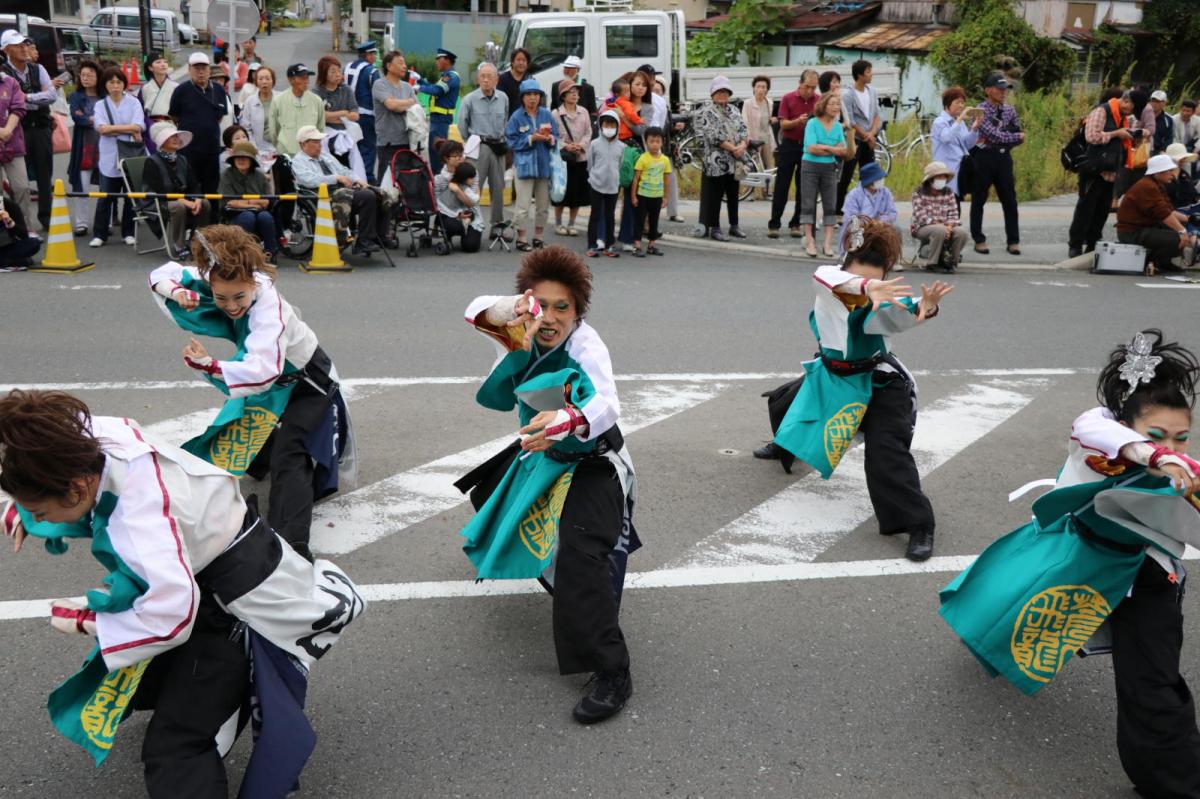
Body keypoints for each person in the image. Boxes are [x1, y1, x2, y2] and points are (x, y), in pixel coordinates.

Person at [0, 389, 364, 798]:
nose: (36, 518)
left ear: (77, 487)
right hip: (222, 565)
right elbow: (57, 449)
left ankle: (208, 718)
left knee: (175, 747)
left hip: (238, 609)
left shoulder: (140, 518)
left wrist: (90, 621)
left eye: (40, 510)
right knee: (149, 668)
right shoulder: (97, 441)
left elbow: (172, 616)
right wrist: (24, 503)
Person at [939, 329, 1200, 799]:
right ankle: (981, 633)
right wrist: (1155, 453)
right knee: (1004, 606)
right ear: (1125, 423)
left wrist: (1177, 465)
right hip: (1077, 555)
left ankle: (1176, 782)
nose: (1174, 447)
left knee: (1154, 682)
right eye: (1158, 434)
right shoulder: (1097, 434)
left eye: (1183, 437)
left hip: (1143, 572)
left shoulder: (1184, 469)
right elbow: (1102, 432)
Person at [456, 246, 640, 724]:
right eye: (543, 304)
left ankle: (613, 670)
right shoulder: (518, 329)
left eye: (564, 307)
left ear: (578, 311)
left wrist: (568, 419)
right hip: (539, 454)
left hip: (593, 459)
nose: (553, 316)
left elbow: (607, 405)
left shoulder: (586, 345)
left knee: (581, 551)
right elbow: (473, 309)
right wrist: (511, 310)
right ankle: (569, 587)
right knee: (489, 507)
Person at [147, 224, 357, 560]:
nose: (230, 306)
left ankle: (291, 549)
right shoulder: (219, 273)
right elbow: (165, 272)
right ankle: (262, 457)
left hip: (306, 382)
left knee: (292, 455)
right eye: (220, 298)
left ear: (252, 283)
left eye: (239, 297)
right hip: (271, 382)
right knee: (232, 439)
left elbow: (262, 372)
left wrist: (210, 366)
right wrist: (178, 292)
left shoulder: (268, 310)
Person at [760, 218, 951, 562]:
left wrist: (926, 307)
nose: (872, 287)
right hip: (833, 373)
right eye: (864, 279)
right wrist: (865, 287)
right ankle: (784, 443)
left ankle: (919, 523)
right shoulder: (831, 280)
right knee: (788, 402)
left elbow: (902, 312)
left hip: (878, 380)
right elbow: (828, 277)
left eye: (877, 281)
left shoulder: (878, 299)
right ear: (848, 266)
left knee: (886, 453)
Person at [291, 125, 395, 255]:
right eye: (315, 142)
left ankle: (380, 235)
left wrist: (358, 180)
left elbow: (344, 171)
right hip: (322, 194)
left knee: (380, 193)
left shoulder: (326, 157)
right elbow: (309, 180)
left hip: (343, 190)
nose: (320, 145)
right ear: (303, 144)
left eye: (319, 141)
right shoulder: (298, 161)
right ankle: (364, 240)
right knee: (367, 196)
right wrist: (336, 178)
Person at [1068, 89, 1135, 258]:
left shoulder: (1124, 118)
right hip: (1093, 169)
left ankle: (1092, 245)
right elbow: (1091, 137)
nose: (1131, 112)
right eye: (1131, 107)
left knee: (1102, 211)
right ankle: (1075, 245)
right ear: (1125, 101)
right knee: (1085, 208)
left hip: (1112, 170)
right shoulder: (1101, 111)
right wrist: (1116, 134)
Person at [1, 30, 53, 233]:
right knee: (18, 184)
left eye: (25, 44)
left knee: (43, 174)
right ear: (6, 50)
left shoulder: (37, 69)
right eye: (18, 45)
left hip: (40, 127)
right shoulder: (3, 74)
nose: (24, 48)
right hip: (15, 131)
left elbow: (51, 96)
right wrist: (32, 100)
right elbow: (10, 106)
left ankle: (45, 218)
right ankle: (15, 224)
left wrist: (28, 98)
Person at [969, 72, 1024, 256]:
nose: (1003, 92)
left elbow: (1018, 135)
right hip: (984, 157)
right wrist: (1013, 136)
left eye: (1005, 89)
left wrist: (1012, 137)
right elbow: (993, 135)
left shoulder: (1009, 110)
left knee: (1010, 200)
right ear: (988, 90)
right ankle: (979, 239)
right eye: (999, 89)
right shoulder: (979, 110)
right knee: (979, 199)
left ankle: (1013, 241)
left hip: (1003, 158)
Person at [89, 66, 144, 250]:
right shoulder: (100, 105)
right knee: (105, 197)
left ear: (124, 84)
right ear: (105, 85)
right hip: (108, 156)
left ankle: (128, 232)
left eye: (118, 82)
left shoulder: (134, 102)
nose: (115, 86)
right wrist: (127, 128)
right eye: (111, 82)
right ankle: (99, 234)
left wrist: (115, 129)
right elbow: (101, 128)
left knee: (130, 197)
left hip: (129, 155)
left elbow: (138, 126)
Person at [1116, 153, 1196, 273]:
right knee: (1180, 238)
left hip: (1143, 228)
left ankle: (1163, 262)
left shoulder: (1156, 184)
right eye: (1168, 170)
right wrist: (1182, 232)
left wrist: (1189, 218)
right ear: (1157, 172)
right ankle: (1150, 261)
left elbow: (1168, 210)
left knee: (1183, 230)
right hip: (1132, 232)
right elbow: (1163, 214)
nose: (1172, 173)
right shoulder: (1148, 186)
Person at [140, 122, 209, 260]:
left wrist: (197, 199)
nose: (177, 139)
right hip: (158, 201)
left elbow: (193, 184)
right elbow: (159, 191)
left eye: (177, 136)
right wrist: (185, 201)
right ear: (162, 141)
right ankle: (179, 245)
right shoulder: (151, 162)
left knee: (205, 203)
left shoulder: (182, 159)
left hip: (182, 199)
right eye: (172, 137)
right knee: (178, 206)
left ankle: (198, 242)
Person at [694, 76, 750, 242]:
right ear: (713, 93)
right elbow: (713, 136)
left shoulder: (734, 109)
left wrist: (742, 145)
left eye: (725, 91)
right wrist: (734, 149)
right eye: (719, 91)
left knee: (733, 194)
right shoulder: (706, 111)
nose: (723, 95)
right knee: (715, 196)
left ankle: (734, 225)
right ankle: (715, 228)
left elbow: (743, 130)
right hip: (716, 160)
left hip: (735, 160)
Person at [505, 79, 558, 252]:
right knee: (523, 205)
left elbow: (556, 137)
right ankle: (521, 238)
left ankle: (538, 237)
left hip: (544, 166)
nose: (533, 98)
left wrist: (550, 139)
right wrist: (530, 139)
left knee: (543, 205)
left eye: (536, 94)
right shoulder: (516, 117)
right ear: (522, 97)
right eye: (528, 94)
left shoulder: (547, 115)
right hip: (524, 166)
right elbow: (511, 141)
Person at [457, 62, 509, 236]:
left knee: (498, 187)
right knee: (472, 187)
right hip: (479, 146)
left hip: (499, 146)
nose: (486, 80)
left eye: (490, 76)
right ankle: (472, 224)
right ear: (478, 78)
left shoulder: (503, 98)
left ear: (497, 79)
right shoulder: (469, 99)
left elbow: (505, 121)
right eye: (482, 76)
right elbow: (462, 125)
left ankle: (497, 225)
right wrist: (472, 141)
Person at [767, 71, 817, 238]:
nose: (810, 91)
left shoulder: (818, 100)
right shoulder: (788, 98)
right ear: (800, 83)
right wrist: (798, 121)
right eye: (807, 87)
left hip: (808, 147)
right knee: (782, 185)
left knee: (803, 187)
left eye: (813, 87)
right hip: (789, 145)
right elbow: (783, 124)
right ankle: (774, 223)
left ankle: (796, 223)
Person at [168, 53, 226, 194]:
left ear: (209, 70)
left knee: (211, 188)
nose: (200, 72)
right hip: (188, 149)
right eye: (196, 68)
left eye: (203, 68)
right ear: (189, 69)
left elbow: (220, 116)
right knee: (189, 187)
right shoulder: (181, 90)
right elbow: (174, 116)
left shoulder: (218, 90)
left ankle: (212, 216)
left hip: (211, 148)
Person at [799, 92, 848, 258]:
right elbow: (811, 148)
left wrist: (825, 148)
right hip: (810, 166)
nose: (836, 107)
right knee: (808, 203)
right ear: (824, 105)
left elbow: (844, 149)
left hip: (829, 168)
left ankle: (827, 243)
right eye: (833, 104)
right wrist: (833, 149)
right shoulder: (812, 123)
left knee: (830, 205)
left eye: (837, 104)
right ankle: (810, 241)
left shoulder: (838, 126)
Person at [837, 60, 882, 218]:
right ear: (859, 74)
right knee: (846, 175)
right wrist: (865, 135)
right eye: (868, 71)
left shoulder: (872, 91)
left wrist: (872, 133)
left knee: (869, 175)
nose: (871, 74)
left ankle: (866, 210)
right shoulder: (848, 95)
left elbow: (877, 115)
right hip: (854, 140)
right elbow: (850, 120)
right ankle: (837, 210)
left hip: (869, 139)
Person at [219, 140, 277, 260]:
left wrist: (245, 202)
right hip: (233, 213)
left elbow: (266, 201)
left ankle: (270, 252)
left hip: (260, 211)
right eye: (238, 157)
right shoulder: (227, 175)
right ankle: (244, 253)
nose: (241, 160)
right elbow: (230, 202)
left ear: (252, 160)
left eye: (245, 157)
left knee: (266, 217)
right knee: (248, 216)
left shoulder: (260, 176)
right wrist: (252, 204)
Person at [911, 161, 969, 273]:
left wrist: (950, 227)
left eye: (944, 176)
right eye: (939, 176)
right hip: (922, 227)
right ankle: (932, 263)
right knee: (939, 230)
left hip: (946, 226)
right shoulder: (918, 192)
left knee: (962, 232)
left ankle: (951, 262)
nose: (942, 179)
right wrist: (942, 226)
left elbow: (953, 215)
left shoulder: (949, 192)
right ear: (931, 179)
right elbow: (921, 216)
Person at [552, 79, 591, 237]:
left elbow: (589, 132)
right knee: (561, 193)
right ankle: (558, 223)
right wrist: (565, 145)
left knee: (577, 194)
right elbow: (553, 135)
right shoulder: (555, 114)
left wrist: (581, 145)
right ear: (563, 95)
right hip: (563, 159)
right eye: (571, 92)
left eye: (576, 92)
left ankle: (572, 224)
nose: (575, 95)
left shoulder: (584, 112)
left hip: (580, 158)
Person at [372, 50, 416, 185]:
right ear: (389, 66)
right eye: (400, 63)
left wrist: (401, 103)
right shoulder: (380, 84)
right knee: (386, 183)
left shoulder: (407, 86)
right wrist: (408, 102)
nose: (405, 66)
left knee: (405, 182)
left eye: (405, 63)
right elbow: (391, 105)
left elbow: (416, 108)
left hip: (406, 140)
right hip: (388, 142)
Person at [930, 86, 982, 199]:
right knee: (946, 210)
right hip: (945, 172)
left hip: (959, 171)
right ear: (947, 103)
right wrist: (960, 119)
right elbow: (946, 137)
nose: (961, 106)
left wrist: (974, 129)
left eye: (963, 102)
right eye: (957, 102)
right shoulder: (939, 122)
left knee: (955, 208)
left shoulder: (959, 122)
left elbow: (967, 144)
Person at [586, 109, 624, 258]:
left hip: (613, 186)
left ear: (617, 126)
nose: (609, 128)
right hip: (596, 184)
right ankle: (591, 245)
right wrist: (594, 176)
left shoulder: (621, 147)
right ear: (601, 126)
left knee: (610, 216)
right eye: (606, 124)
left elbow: (620, 165)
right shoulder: (594, 144)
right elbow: (590, 164)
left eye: (612, 124)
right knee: (594, 215)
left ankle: (609, 246)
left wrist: (616, 178)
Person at [839, 161, 898, 256]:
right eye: (879, 178)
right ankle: (852, 256)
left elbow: (892, 213)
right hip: (861, 226)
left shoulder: (886, 192)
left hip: (880, 225)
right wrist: (868, 223)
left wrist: (880, 221)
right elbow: (851, 216)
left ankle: (891, 259)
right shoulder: (854, 194)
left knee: (895, 229)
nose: (882, 180)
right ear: (871, 181)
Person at [417, 48, 460, 174]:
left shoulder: (451, 77)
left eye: (438, 58)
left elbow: (437, 91)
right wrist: (420, 80)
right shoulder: (445, 76)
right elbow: (434, 87)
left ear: (447, 60)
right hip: (438, 120)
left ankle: (440, 187)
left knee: (438, 157)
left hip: (441, 121)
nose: (436, 61)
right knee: (435, 154)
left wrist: (419, 87)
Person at [630, 126, 671, 257]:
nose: (654, 144)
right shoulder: (643, 158)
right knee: (640, 221)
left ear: (662, 142)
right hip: (642, 195)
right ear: (646, 142)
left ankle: (651, 245)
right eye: (651, 141)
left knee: (654, 221)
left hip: (657, 196)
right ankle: (636, 246)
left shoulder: (665, 160)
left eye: (657, 141)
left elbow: (666, 179)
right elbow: (636, 178)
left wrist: (665, 197)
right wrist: (633, 196)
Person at [268, 63, 324, 157]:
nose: (306, 81)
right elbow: (274, 131)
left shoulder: (317, 101)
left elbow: (320, 128)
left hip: (309, 154)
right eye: (302, 78)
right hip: (285, 152)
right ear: (291, 80)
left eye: (307, 78)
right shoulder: (278, 101)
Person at [0, 56, 28, 237]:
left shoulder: (10, 82)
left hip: (12, 144)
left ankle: (24, 230)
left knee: (22, 187)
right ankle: (3, 234)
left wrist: (7, 130)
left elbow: (19, 107)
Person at [345, 41, 380, 182]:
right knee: (368, 147)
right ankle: (366, 178)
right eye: (374, 54)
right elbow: (378, 92)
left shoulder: (347, 67)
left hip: (348, 114)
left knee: (353, 147)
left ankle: (351, 176)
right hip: (366, 114)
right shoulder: (371, 71)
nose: (375, 58)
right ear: (368, 55)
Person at [437, 159, 483, 253]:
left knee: (471, 246)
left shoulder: (453, 184)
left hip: (448, 211)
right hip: (452, 215)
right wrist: (478, 192)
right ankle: (453, 234)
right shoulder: (464, 187)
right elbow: (474, 200)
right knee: (457, 222)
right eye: (471, 178)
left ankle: (465, 234)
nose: (473, 180)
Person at [742, 75, 776, 202]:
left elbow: (767, 119)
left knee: (769, 165)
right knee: (751, 166)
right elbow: (744, 122)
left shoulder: (769, 102)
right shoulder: (748, 103)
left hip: (766, 137)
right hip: (753, 139)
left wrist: (771, 120)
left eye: (764, 87)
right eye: (758, 87)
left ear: (767, 89)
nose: (761, 89)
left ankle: (767, 192)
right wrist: (747, 139)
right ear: (754, 88)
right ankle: (748, 192)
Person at [314, 55, 359, 136]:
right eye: (333, 72)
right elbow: (319, 116)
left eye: (339, 71)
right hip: (323, 135)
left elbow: (355, 115)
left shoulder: (346, 89)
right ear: (324, 74)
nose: (338, 74)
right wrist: (343, 113)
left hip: (345, 134)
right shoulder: (316, 92)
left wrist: (330, 118)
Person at [139, 51, 177, 146]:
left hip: (171, 127)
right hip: (151, 127)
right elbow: (140, 112)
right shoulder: (145, 88)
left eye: (164, 61)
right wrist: (148, 124)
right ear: (150, 68)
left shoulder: (176, 87)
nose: (163, 64)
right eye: (158, 62)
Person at [238, 64, 277, 152]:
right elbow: (246, 127)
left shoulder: (281, 98)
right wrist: (254, 147)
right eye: (260, 79)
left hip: (279, 147)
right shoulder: (250, 101)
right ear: (256, 82)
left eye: (267, 78)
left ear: (273, 81)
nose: (264, 82)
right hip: (259, 148)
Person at [0, 189, 40, 269]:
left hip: (5, 246)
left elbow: (24, 235)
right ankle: (9, 261)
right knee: (26, 261)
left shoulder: (11, 206)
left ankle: (6, 260)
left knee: (34, 243)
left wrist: (10, 223)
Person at [497, 47, 532, 117]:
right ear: (512, 62)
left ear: (527, 64)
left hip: (525, 119)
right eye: (518, 60)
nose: (521, 63)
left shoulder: (530, 80)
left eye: (524, 60)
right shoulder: (503, 79)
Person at [1172, 99, 1200, 180]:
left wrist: (1196, 149)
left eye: (1188, 111)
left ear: (1193, 112)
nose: (1185, 113)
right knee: (1186, 161)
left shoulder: (1197, 120)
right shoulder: (1174, 119)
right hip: (1178, 146)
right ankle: (1187, 181)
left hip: (1192, 146)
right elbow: (1174, 137)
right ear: (1180, 109)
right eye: (1183, 110)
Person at [1150, 90, 1174, 156]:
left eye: (1157, 101)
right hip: (1142, 148)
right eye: (1153, 100)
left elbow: (1169, 138)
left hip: (1158, 152)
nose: (1154, 103)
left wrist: (1163, 150)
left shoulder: (1168, 119)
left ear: (1164, 103)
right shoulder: (1144, 114)